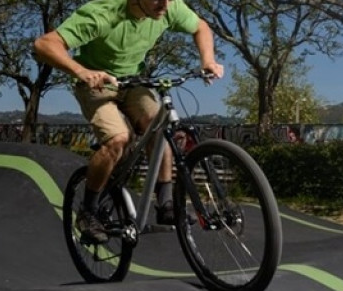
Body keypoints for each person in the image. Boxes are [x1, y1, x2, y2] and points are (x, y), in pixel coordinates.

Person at [34, 0, 224, 243]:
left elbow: (201, 27)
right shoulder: (103, 12)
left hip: (132, 82)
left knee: (159, 125)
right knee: (118, 139)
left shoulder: (168, 7)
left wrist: (207, 60)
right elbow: (44, 44)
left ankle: (165, 204)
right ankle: (87, 212)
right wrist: (81, 71)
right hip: (96, 84)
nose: (164, 4)